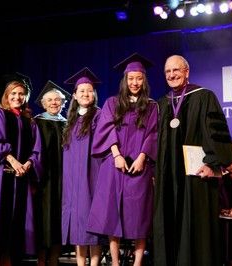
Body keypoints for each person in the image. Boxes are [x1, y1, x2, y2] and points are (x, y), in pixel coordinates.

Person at [153, 54, 232, 266]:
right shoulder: (162, 104)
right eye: (168, 71)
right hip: (167, 177)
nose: (172, 75)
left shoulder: (204, 96)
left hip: (197, 175)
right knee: (168, 223)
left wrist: (213, 164)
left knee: (196, 225)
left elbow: (216, 134)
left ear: (186, 72)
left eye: (176, 70)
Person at [87, 53, 158, 266]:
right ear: (125, 80)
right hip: (114, 165)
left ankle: (137, 262)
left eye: (138, 78)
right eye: (131, 78)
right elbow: (106, 129)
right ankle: (115, 262)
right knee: (112, 214)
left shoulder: (152, 106)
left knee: (140, 215)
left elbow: (153, 133)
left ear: (144, 80)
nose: (134, 82)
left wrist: (142, 158)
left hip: (140, 166)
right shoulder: (112, 103)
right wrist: (117, 155)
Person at [0, 73, 42, 265]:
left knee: (15, 231)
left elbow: (37, 150)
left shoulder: (30, 122)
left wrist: (29, 163)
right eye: (13, 93)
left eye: (21, 94)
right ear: (6, 95)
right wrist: (13, 160)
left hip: (21, 180)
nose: (17, 97)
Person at [61, 67, 103, 266]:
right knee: (77, 222)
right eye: (82, 91)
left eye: (89, 91)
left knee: (91, 221)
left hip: (92, 176)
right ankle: (80, 263)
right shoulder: (70, 121)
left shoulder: (100, 116)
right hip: (72, 180)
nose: (86, 94)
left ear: (93, 94)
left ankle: (94, 263)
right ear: (75, 96)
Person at [33, 80, 71, 266]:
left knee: (59, 219)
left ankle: (55, 259)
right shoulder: (36, 123)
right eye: (50, 100)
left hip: (64, 179)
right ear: (43, 103)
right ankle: (41, 260)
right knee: (43, 219)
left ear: (64, 103)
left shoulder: (68, 124)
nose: (54, 103)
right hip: (43, 180)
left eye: (58, 100)